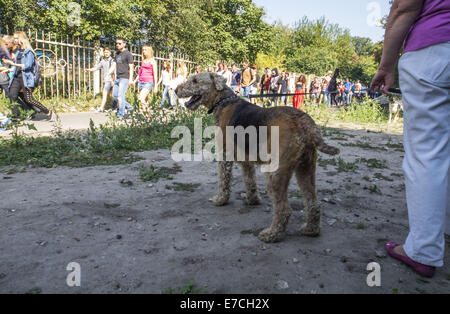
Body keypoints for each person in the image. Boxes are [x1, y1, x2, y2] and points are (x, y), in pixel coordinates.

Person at [371, 0, 450, 278]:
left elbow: (404, 8)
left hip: (435, 47)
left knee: (427, 154)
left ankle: (424, 250)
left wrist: (387, 65)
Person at [2, 34, 51, 120]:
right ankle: (16, 116)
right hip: (16, 77)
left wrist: (12, 64)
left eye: (17, 38)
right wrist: (8, 70)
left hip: (25, 78)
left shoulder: (28, 52)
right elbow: (16, 67)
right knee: (12, 95)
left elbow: (28, 66)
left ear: (22, 40)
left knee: (28, 99)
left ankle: (46, 111)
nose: (15, 40)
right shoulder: (18, 51)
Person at [109, 38, 134, 119]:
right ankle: (130, 108)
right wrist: (108, 74)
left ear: (124, 44)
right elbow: (114, 65)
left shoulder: (128, 54)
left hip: (125, 78)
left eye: (119, 43)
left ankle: (121, 114)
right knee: (114, 95)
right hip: (118, 78)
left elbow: (131, 67)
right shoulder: (117, 54)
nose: (117, 45)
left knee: (120, 96)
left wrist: (130, 79)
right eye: (116, 43)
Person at [84, 47, 115, 112]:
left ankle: (101, 108)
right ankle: (119, 107)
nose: (106, 54)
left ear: (110, 53)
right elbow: (96, 68)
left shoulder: (112, 60)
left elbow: (114, 71)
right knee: (112, 96)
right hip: (106, 80)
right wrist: (88, 70)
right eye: (105, 52)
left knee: (104, 93)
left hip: (110, 80)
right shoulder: (102, 61)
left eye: (107, 52)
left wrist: (113, 80)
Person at [134, 45, 158, 111]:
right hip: (141, 81)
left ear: (149, 51)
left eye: (145, 50)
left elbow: (155, 74)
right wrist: (135, 81)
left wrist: (156, 86)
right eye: (143, 50)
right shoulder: (143, 61)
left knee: (141, 97)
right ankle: (147, 116)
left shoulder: (153, 61)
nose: (144, 51)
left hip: (149, 82)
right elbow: (140, 72)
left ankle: (145, 113)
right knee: (145, 100)